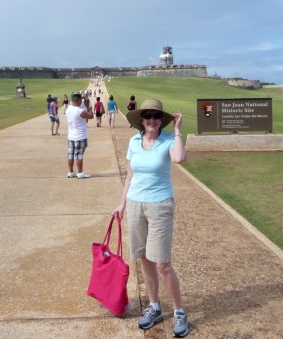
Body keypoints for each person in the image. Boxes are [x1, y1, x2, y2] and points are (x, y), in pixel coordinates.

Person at [114, 99, 188, 337]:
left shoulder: (168, 140)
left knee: (163, 264)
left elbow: (178, 159)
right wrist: (122, 203)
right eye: (148, 117)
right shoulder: (134, 141)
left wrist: (177, 131)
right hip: (136, 204)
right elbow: (130, 175)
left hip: (160, 205)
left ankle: (178, 311)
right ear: (141, 120)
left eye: (156, 117)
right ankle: (154, 306)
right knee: (144, 260)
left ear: (161, 120)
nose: (152, 121)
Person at [65, 93, 94, 179]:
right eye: (80, 101)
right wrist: (89, 108)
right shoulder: (79, 111)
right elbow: (91, 116)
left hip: (71, 136)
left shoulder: (68, 109)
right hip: (80, 136)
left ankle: (71, 172)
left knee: (70, 154)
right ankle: (80, 173)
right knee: (79, 155)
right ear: (78, 101)